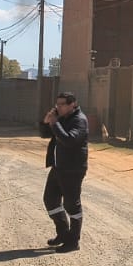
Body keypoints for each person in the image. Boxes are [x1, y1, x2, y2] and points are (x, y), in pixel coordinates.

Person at [39, 91, 89, 253]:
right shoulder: (62, 118)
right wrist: (46, 123)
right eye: (57, 104)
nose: (58, 107)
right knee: (50, 200)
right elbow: (45, 134)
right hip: (58, 167)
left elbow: (69, 140)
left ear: (72, 105)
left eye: (62, 104)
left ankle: (73, 242)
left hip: (73, 169)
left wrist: (55, 123)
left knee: (72, 205)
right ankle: (63, 234)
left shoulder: (79, 120)